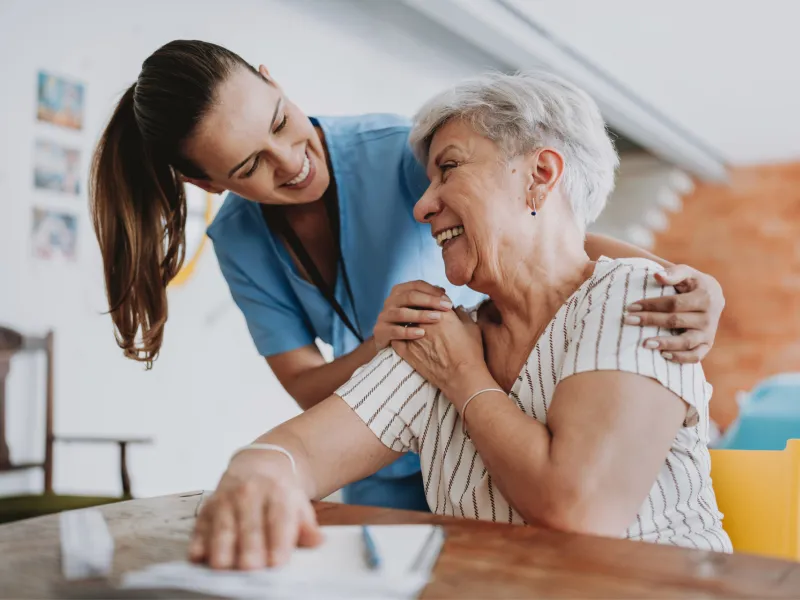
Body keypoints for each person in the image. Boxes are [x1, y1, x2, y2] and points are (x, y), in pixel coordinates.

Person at [89, 40, 725, 512]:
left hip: (475, 432)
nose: (290, 163)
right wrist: (384, 349)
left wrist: (673, 277)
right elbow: (306, 408)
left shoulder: (400, 151)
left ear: (272, 80)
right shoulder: (242, 242)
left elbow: (537, 231)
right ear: (209, 183)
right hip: (400, 447)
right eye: (251, 163)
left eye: (281, 121)